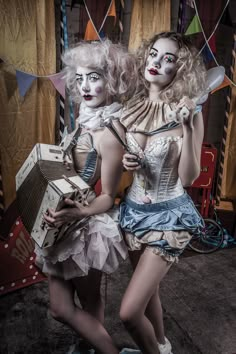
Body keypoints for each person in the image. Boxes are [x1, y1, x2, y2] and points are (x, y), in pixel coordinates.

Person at [35, 39, 137, 354]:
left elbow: (107, 196)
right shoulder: (85, 118)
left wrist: (76, 214)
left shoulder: (109, 133)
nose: (85, 86)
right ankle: (92, 346)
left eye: (94, 76)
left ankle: (104, 351)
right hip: (63, 221)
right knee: (61, 307)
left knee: (88, 299)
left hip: (85, 225)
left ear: (112, 78)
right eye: (80, 78)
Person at [118, 31, 207, 354]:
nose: (156, 63)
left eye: (168, 59)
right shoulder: (135, 107)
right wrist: (129, 162)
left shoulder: (189, 113)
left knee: (128, 313)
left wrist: (185, 126)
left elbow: (189, 177)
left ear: (179, 70)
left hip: (169, 216)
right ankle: (160, 345)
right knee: (150, 292)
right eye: (154, 54)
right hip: (133, 213)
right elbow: (133, 164)